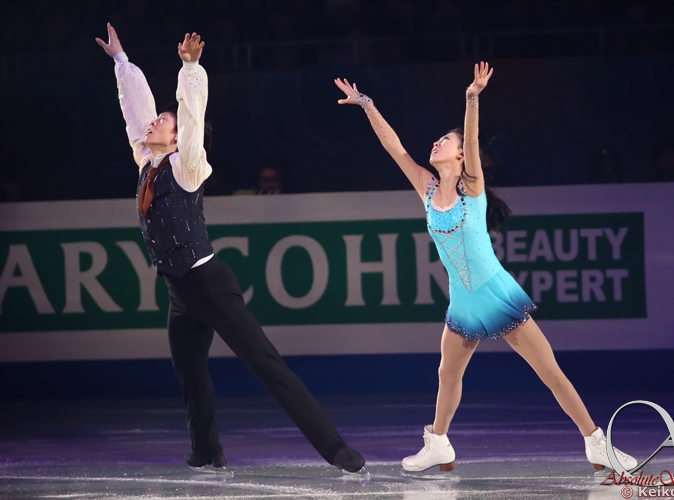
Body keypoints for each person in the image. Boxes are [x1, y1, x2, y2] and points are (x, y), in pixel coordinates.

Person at [334, 63, 637, 474]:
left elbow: (472, 137)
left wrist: (472, 97)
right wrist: (367, 104)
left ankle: (596, 443)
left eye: (445, 140)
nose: (436, 142)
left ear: (460, 156)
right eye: (437, 139)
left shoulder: (471, 187)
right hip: (463, 301)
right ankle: (438, 444)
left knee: (549, 372)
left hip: (496, 293)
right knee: (447, 374)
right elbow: (395, 148)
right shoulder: (426, 188)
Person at [96, 23, 364, 474]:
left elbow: (191, 116)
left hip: (210, 285)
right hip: (180, 293)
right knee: (190, 371)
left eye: (164, 121)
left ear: (177, 139)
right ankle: (206, 450)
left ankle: (335, 449)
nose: (155, 121)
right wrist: (122, 62)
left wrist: (190, 69)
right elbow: (135, 109)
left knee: (265, 363)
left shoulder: (187, 167)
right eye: (157, 119)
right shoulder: (146, 160)